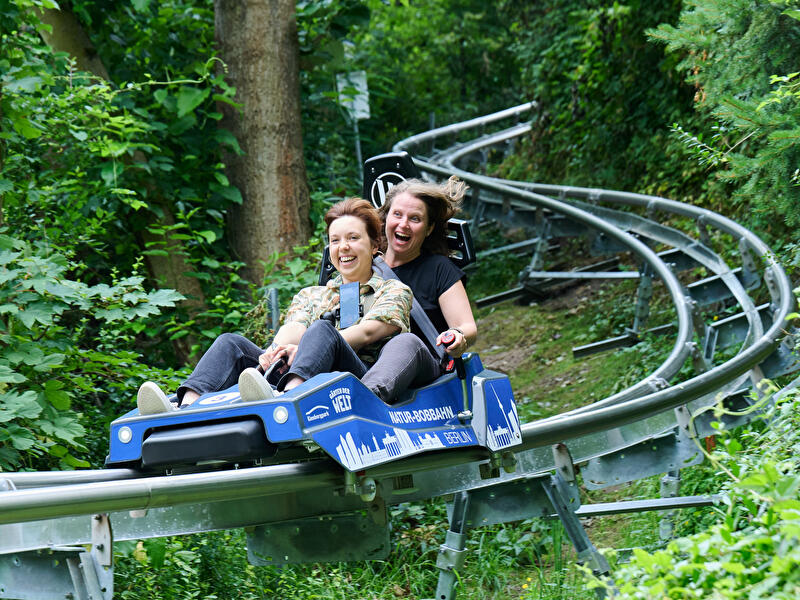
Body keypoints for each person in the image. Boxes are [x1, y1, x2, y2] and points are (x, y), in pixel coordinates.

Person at [136, 198, 412, 414]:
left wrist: (307, 345)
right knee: (230, 343)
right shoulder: (312, 294)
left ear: (375, 244)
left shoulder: (394, 290)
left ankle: (289, 397)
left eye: (353, 238)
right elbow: (293, 328)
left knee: (322, 330)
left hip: (357, 377)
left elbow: (366, 334)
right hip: (301, 366)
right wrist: (273, 353)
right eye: (335, 241)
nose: (344, 248)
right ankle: (185, 406)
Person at [357, 176, 477, 401]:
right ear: (385, 219)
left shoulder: (439, 269)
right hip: (363, 366)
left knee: (405, 341)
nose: (403, 224)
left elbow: (466, 326)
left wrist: (457, 336)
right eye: (397, 215)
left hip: (422, 374)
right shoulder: (361, 267)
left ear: (429, 228)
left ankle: (365, 402)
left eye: (415, 219)